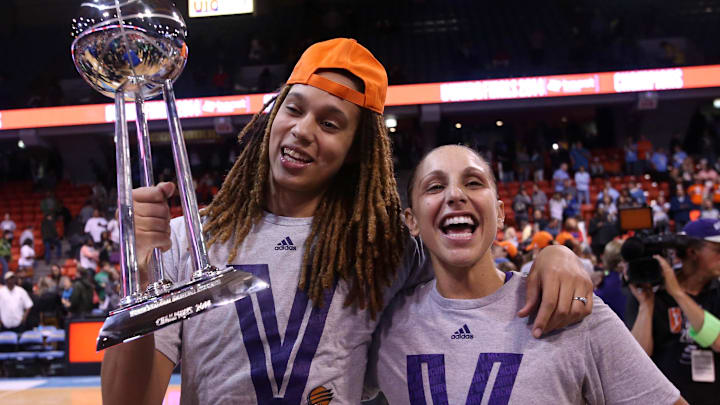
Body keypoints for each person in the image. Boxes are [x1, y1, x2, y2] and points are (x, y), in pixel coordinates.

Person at [101, 38, 593, 405]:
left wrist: (554, 255)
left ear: (357, 152)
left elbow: (482, 283)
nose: (302, 131)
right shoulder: (190, 239)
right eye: (293, 109)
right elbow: (126, 402)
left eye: (330, 123)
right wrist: (143, 280)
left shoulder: (387, 246)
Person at [368, 145, 684, 404]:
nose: (455, 195)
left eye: (474, 182)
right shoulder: (387, 325)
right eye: (435, 187)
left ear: (501, 213)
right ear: (411, 221)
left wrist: (562, 256)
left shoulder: (569, 303)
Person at [626, 218, 720, 404]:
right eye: (718, 251)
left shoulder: (717, 291)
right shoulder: (651, 292)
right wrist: (646, 305)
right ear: (693, 252)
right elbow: (638, 358)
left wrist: (677, 293)